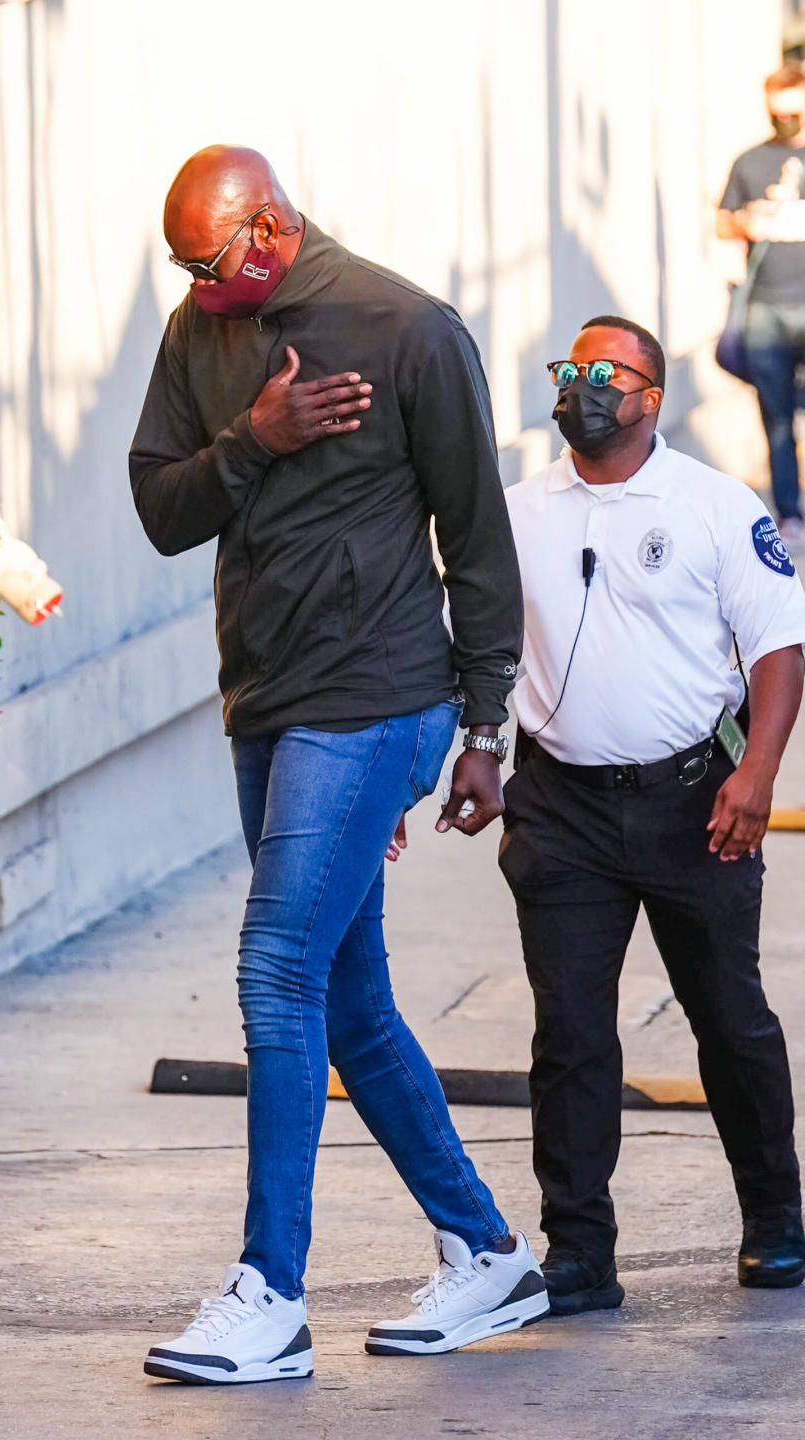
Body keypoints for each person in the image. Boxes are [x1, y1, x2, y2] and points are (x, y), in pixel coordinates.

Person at [129, 146, 546, 1385]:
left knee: (273, 971)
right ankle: (488, 1253)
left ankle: (272, 1295)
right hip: (265, 698)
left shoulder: (407, 327)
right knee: (347, 997)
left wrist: (484, 729)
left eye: (213, 262)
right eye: (184, 269)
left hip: (377, 701)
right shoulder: (201, 332)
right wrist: (254, 439)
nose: (202, 286)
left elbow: (477, 540)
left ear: (269, 226)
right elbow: (161, 509)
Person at [499, 314, 805, 1317]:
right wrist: (468, 753)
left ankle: (774, 1222)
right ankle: (580, 1249)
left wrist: (757, 773)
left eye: (604, 372)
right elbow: (479, 645)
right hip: (561, 810)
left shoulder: (715, 504)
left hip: (692, 805)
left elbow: (775, 649)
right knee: (571, 1034)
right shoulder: (515, 512)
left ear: (649, 399)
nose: (582, 386)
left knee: (731, 1019)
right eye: (570, 369)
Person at [718, 63, 805, 547]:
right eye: (779, 113)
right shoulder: (749, 162)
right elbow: (722, 223)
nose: (786, 121)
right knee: (775, 416)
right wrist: (748, 220)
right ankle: (789, 513)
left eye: (794, 112)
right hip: (765, 310)